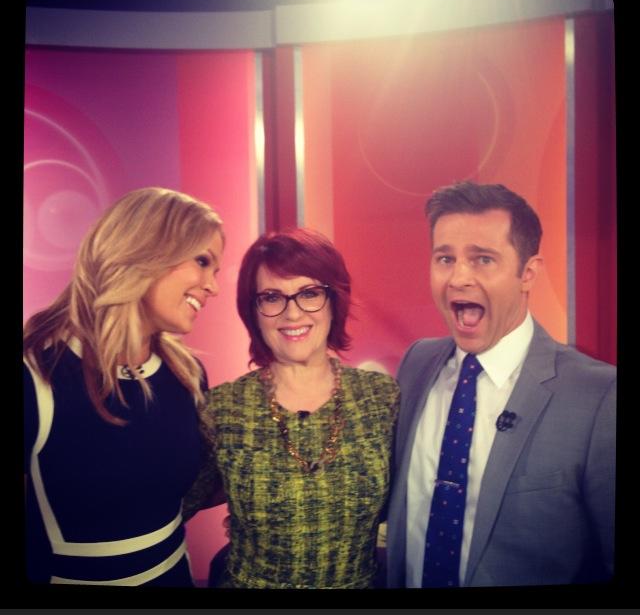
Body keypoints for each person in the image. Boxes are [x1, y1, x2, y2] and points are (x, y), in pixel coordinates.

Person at [386, 181, 616, 588]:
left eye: (483, 259)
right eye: (445, 258)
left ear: (528, 273)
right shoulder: (416, 364)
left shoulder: (599, 396)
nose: (458, 277)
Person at [23, 187, 224, 586]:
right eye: (203, 261)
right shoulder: (36, 376)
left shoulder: (188, 374)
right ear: (145, 250)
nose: (212, 286)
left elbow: (188, 487)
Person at [183, 228, 400, 588]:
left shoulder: (381, 398)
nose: (292, 313)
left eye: (309, 293)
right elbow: (172, 505)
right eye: (272, 297)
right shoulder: (223, 408)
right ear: (253, 310)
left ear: (334, 300)